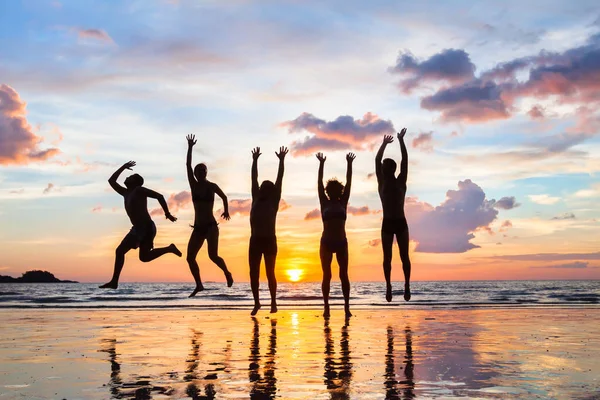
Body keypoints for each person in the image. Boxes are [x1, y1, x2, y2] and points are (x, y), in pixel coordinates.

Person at [100, 161, 181, 289]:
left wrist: (167, 213)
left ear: (135, 182)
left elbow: (159, 196)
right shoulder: (125, 192)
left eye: (129, 177)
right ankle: (169, 249)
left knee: (121, 251)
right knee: (143, 257)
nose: (126, 178)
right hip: (138, 228)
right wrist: (123, 167)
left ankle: (114, 281)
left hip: (146, 227)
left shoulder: (138, 190)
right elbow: (111, 181)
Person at [185, 134, 234, 297]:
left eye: (203, 170)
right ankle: (199, 284)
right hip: (198, 228)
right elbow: (187, 164)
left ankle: (227, 272)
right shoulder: (193, 185)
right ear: (195, 173)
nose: (200, 172)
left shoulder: (212, 186)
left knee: (213, 255)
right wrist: (190, 147)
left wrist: (226, 210)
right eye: (198, 170)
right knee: (190, 257)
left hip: (211, 227)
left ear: (206, 172)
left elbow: (224, 197)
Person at [249, 146, 288, 316]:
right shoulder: (255, 198)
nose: (263, 187)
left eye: (266, 186)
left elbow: (280, 179)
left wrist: (281, 161)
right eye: (262, 186)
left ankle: (273, 302)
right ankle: (257, 303)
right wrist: (255, 160)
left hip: (270, 240)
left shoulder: (274, 200)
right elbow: (253, 178)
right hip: (255, 240)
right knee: (253, 273)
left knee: (270, 272)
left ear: (271, 190)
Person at [316, 152, 355, 318]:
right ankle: (326, 307)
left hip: (341, 242)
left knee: (343, 274)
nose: (332, 192)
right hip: (326, 242)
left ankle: (346, 307)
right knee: (327, 275)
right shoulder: (324, 202)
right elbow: (318, 183)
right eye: (330, 190)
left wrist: (349, 164)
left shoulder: (343, 202)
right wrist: (321, 164)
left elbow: (349, 182)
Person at [375, 128, 412, 302]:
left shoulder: (401, 180)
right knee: (387, 258)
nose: (381, 168)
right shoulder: (381, 181)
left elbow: (405, 161)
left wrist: (401, 141)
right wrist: (383, 144)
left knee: (404, 256)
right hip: (387, 223)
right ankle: (388, 286)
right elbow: (376, 160)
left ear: (391, 168)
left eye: (384, 166)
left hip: (401, 222)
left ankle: (406, 285)